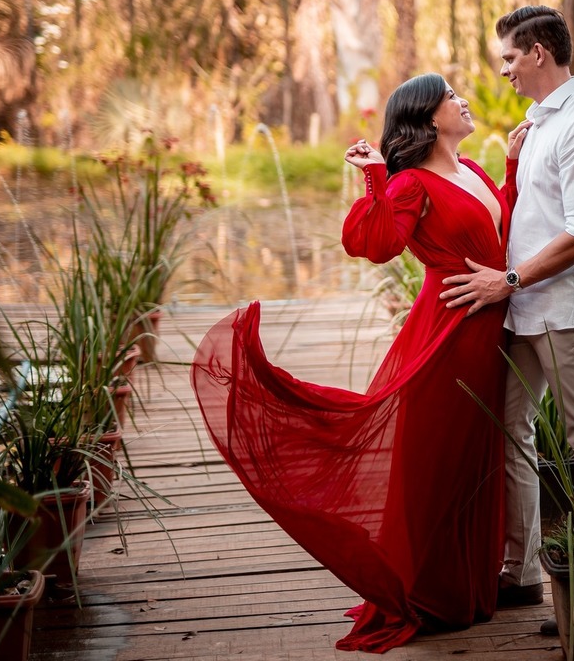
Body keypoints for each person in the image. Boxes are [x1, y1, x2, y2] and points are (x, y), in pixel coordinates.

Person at [191, 73, 526, 653]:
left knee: (477, 462)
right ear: (426, 119)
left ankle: (470, 589)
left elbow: (504, 233)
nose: (464, 99)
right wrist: (376, 175)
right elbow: (375, 245)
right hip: (447, 334)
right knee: (437, 463)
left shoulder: (471, 170)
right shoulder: (411, 184)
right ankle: (426, 593)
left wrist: (514, 171)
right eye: (452, 96)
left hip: (490, 329)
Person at [440, 5, 574, 613]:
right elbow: (526, 210)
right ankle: (519, 573)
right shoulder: (541, 123)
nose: (504, 71)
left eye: (510, 58)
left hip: (564, 311)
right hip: (521, 309)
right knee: (508, 433)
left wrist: (507, 280)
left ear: (539, 53)